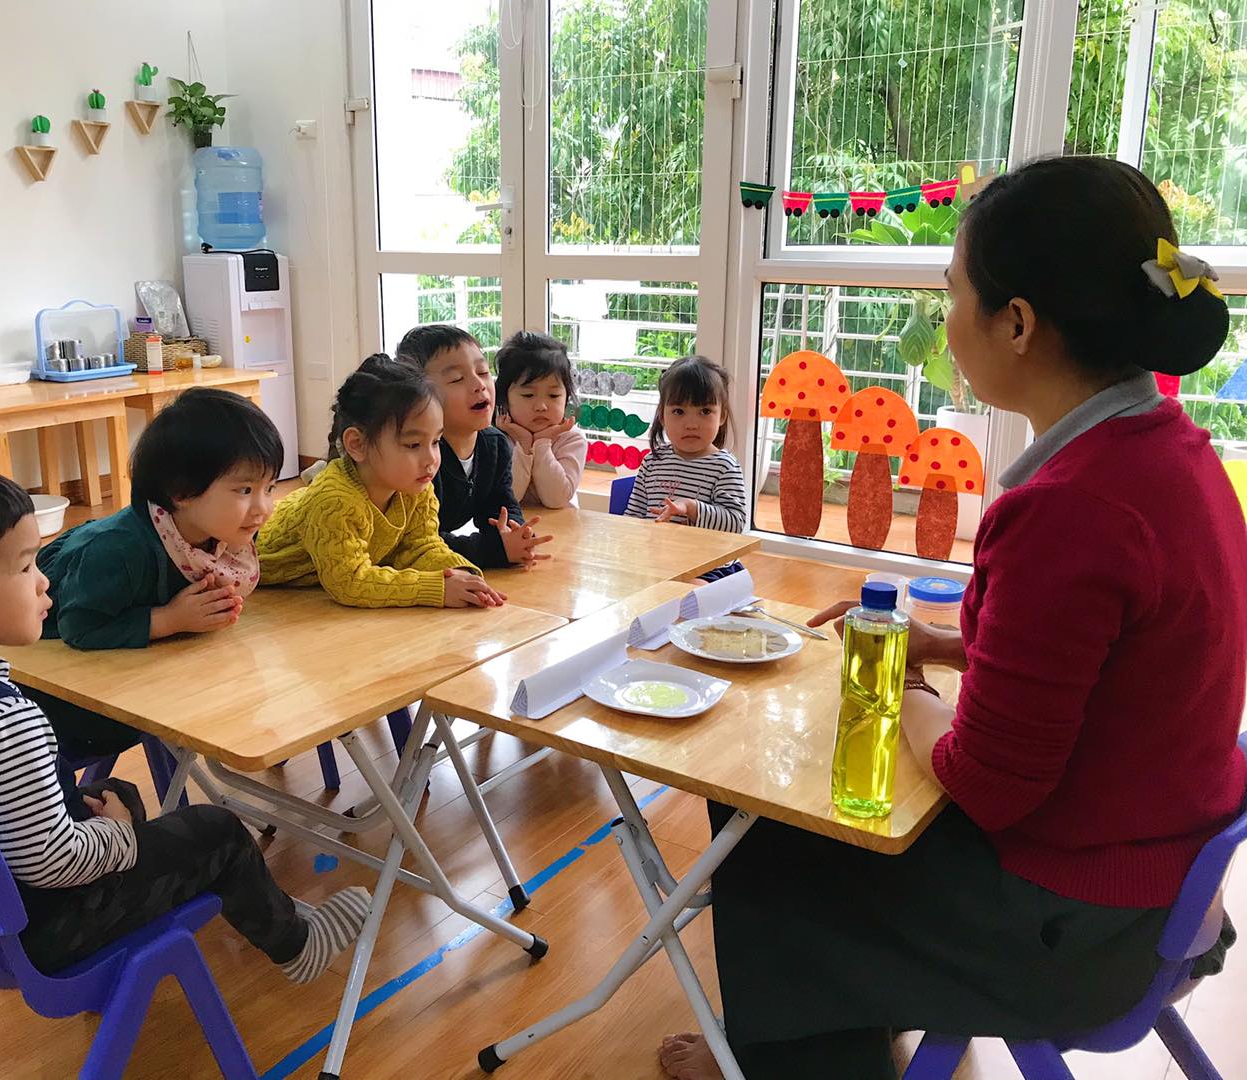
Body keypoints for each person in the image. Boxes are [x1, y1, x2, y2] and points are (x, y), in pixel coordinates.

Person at [660, 156, 1246, 1080]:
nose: (947, 321)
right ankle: (823, 1033)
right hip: (1159, 886)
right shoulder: (1174, 453)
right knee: (806, 810)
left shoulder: (1072, 508)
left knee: (763, 822)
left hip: (1080, 928)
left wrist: (901, 682)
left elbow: (989, 785)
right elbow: (1099, 655)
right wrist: (940, 642)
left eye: (953, 295)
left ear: (1017, 323)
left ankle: (781, 1062)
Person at [0, 455, 370, 979]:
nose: (43, 581)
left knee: (117, 793)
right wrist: (118, 836)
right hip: (40, 931)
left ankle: (249, 901)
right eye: (24, 567)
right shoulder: (1, 721)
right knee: (217, 831)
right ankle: (297, 946)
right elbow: (52, 862)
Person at [28, 388, 281, 758]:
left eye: (269, 488)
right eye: (245, 489)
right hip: (53, 682)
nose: (263, 507)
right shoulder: (116, 550)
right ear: (181, 491)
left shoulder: (227, 532)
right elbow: (78, 627)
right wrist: (169, 619)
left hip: (143, 660)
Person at [257, 354, 507, 608]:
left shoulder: (415, 487)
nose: (431, 458)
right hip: (251, 551)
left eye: (436, 442)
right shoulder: (335, 501)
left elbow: (421, 546)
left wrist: (459, 573)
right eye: (413, 444)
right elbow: (350, 582)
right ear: (357, 444)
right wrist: (435, 588)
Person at [396, 324, 553, 569]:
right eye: (457, 379)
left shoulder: (494, 445)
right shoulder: (419, 458)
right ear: (418, 394)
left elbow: (500, 506)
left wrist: (514, 533)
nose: (479, 384)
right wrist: (495, 550)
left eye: (483, 371)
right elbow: (413, 545)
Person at [623, 355, 749, 582]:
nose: (691, 424)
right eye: (679, 411)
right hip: (659, 563)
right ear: (662, 416)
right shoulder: (653, 462)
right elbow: (632, 519)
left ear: (722, 416)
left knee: (688, 589)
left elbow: (735, 523)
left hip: (710, 567)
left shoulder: (724, 466)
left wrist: (692, 508)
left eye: (705, 411)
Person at [493, 330, 588, 508]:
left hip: (560, 523)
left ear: (566, 397)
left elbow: (556, 500)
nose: (541, 406)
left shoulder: (572, 438)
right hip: (511, 523)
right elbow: (507, 499)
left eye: (553, 395)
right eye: (528, 395)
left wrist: (542, 443)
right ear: (505, 399)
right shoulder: (496, 437)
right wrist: (524, 443)